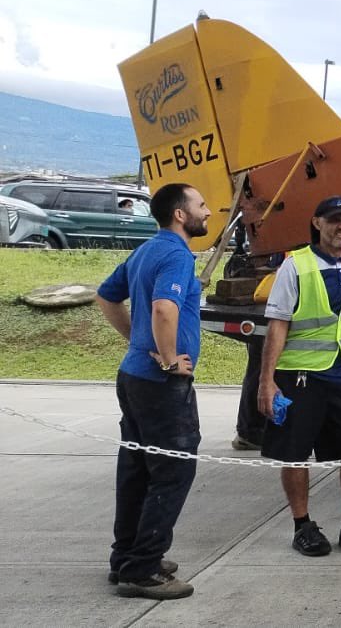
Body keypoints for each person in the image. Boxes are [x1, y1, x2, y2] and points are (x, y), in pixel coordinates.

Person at [94, 182, 212, 600]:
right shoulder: (177, 255)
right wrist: (166, 358)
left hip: (133, 377)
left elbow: (106, 296)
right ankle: (142, 570)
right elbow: (165, 308)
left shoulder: (146, 249)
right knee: (173, 470)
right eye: (200, 205)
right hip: (161, 383)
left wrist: (137, 343)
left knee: (137, 469)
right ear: (180, 215)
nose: (209, 212)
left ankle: (125, 557)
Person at [256, 196, 341, 558]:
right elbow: (278, 326)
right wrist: (266, 381)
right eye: (335, 221)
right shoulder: (294, 266)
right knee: (295, 454)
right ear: (317, 223)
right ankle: (303, 526)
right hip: (301, 375)